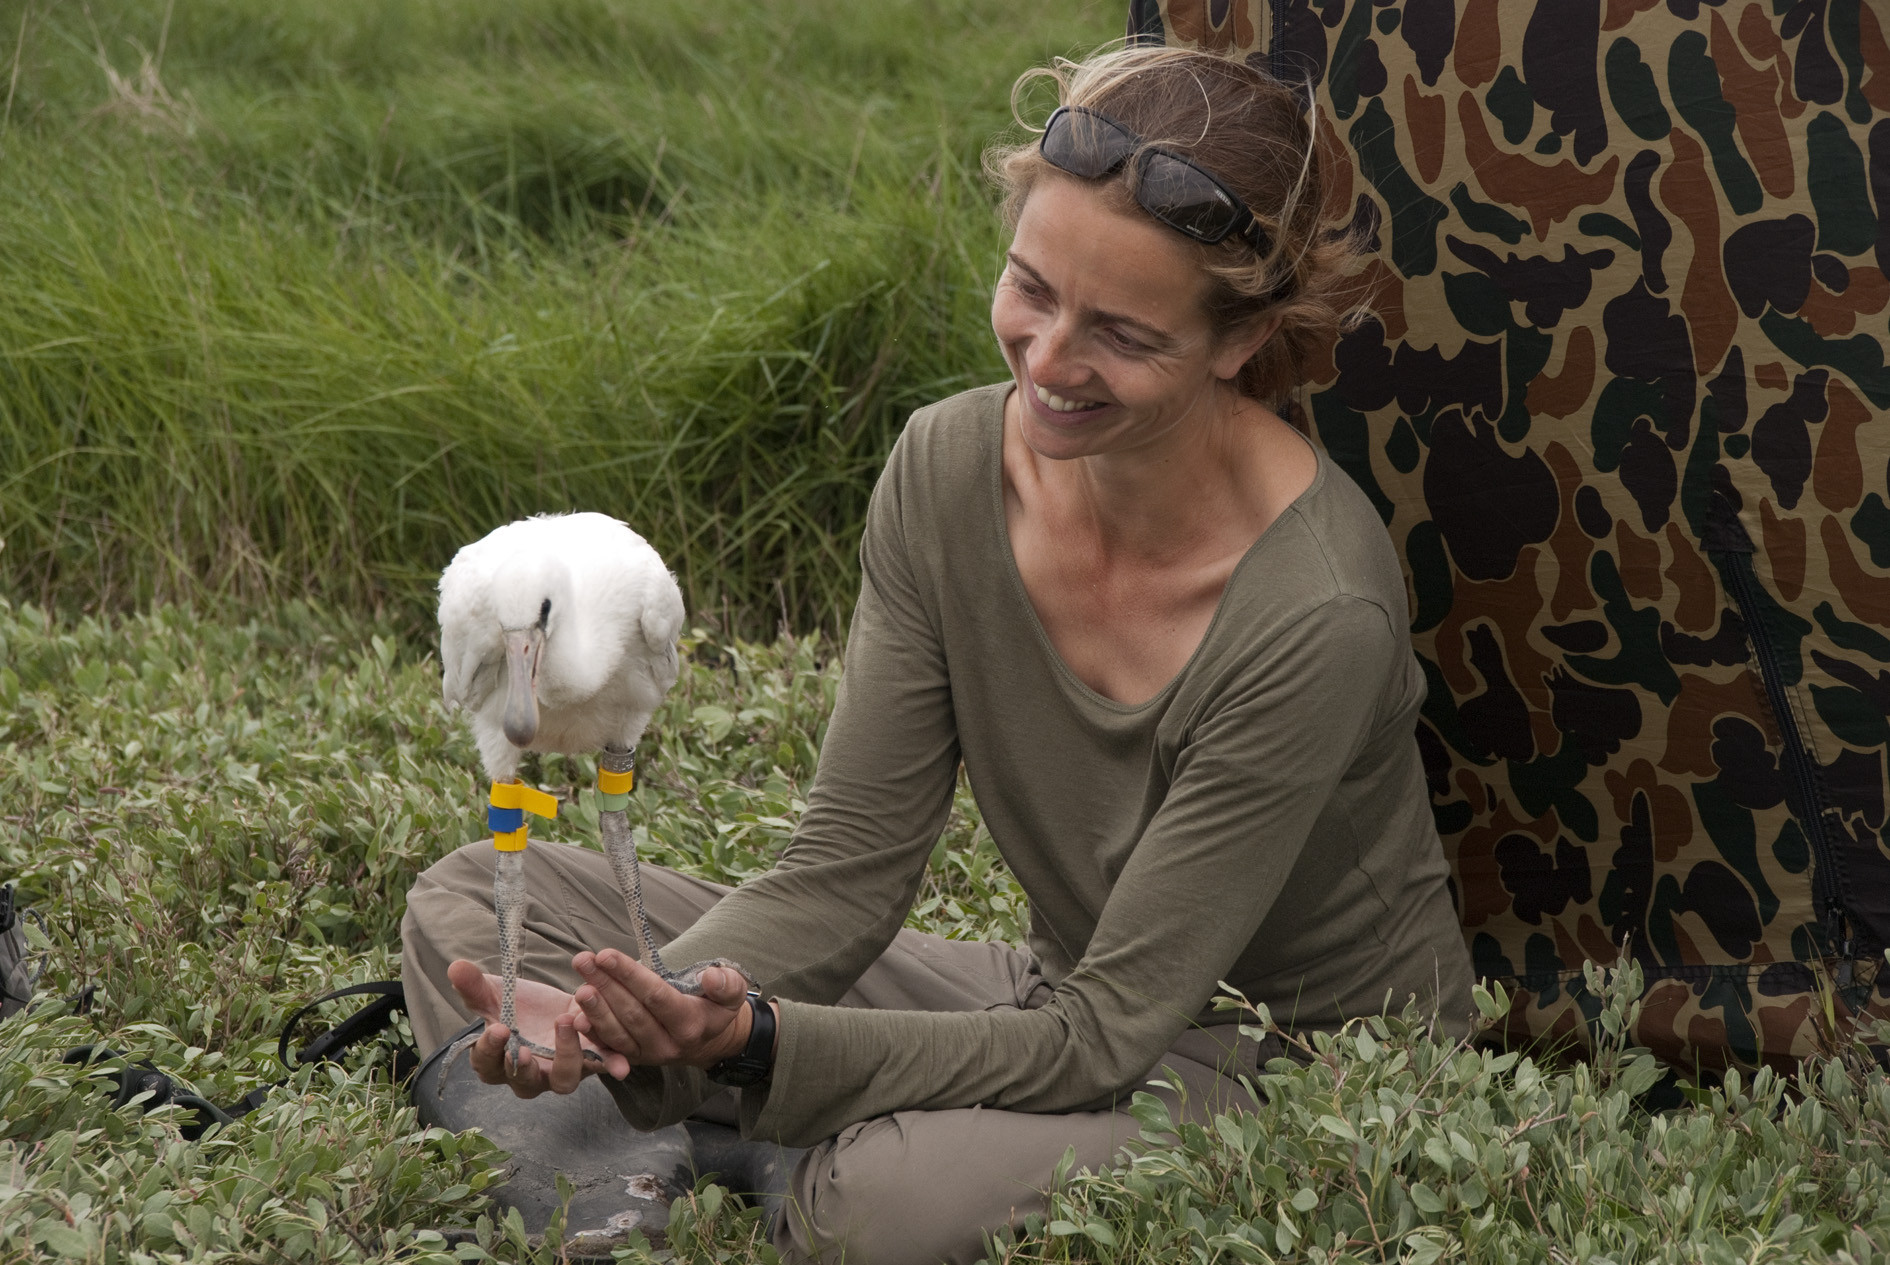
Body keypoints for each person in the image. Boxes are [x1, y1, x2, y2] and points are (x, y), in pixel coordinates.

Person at [401, 44, 1475, 1265]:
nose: (1049, 360)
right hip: (1056, 994)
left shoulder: (1315, 610)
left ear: (1242, 342)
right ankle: (690, 1123)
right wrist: (632, 1017)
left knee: (880, 1207)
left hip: (1286, 1067)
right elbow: (844, 872)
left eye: (1123, 333)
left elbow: (1108, 1031)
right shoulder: (946, 468)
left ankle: (697, 1139)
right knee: (470, 904)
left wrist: (747, 1042)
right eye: (1032, 288)